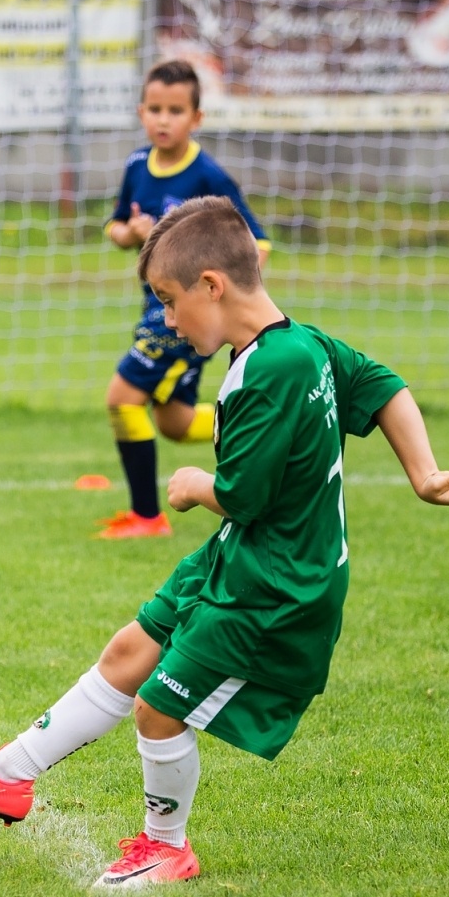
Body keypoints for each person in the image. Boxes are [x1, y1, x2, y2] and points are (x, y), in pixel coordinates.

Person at [0, 197, 449, 886]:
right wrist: (422, 473)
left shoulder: (275, 368)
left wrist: (192, 483)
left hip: (276, 583)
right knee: (129, 651)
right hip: (241, 555)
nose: (168, 320)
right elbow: (383, 386)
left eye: (169, 300)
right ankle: (4, 777)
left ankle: (166, 848)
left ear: (212, 284)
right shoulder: (299, 345)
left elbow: (246, 494)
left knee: (159, 707)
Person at [97, 59, 271, 539]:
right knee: (174, 423)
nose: (163, 119)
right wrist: (130, 233)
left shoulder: (208, 176)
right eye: (155, 109)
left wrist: (221, 292)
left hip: (182, 317)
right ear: (141, 112)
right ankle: (263, 424)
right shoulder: (137, 165)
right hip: (156, 306)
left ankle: (147, 518)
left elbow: (257, 243)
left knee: (122, 399)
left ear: (196, 118)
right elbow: (115, 224)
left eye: (175, 111)